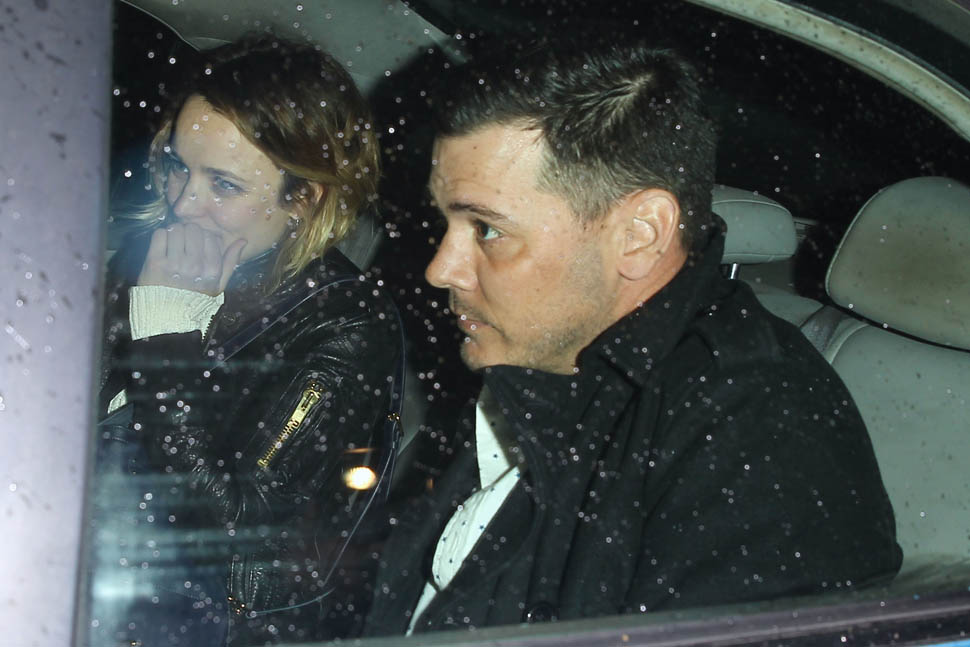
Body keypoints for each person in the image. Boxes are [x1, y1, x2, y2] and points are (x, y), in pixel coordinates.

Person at [364, 38, 901, 635]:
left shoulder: (763, 439)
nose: (440, 270)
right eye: (445, 223)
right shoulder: (550, 356)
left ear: (640, 234)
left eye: (487, 229)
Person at [95, 35, 403, 645]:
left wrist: (166, 338)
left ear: (302, 199)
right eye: (179, 168)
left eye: (225, 185)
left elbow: (233, 521)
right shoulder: (148, 256)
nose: (185, 203)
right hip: (93, 566)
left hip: (206, 624)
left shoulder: (346, 319)